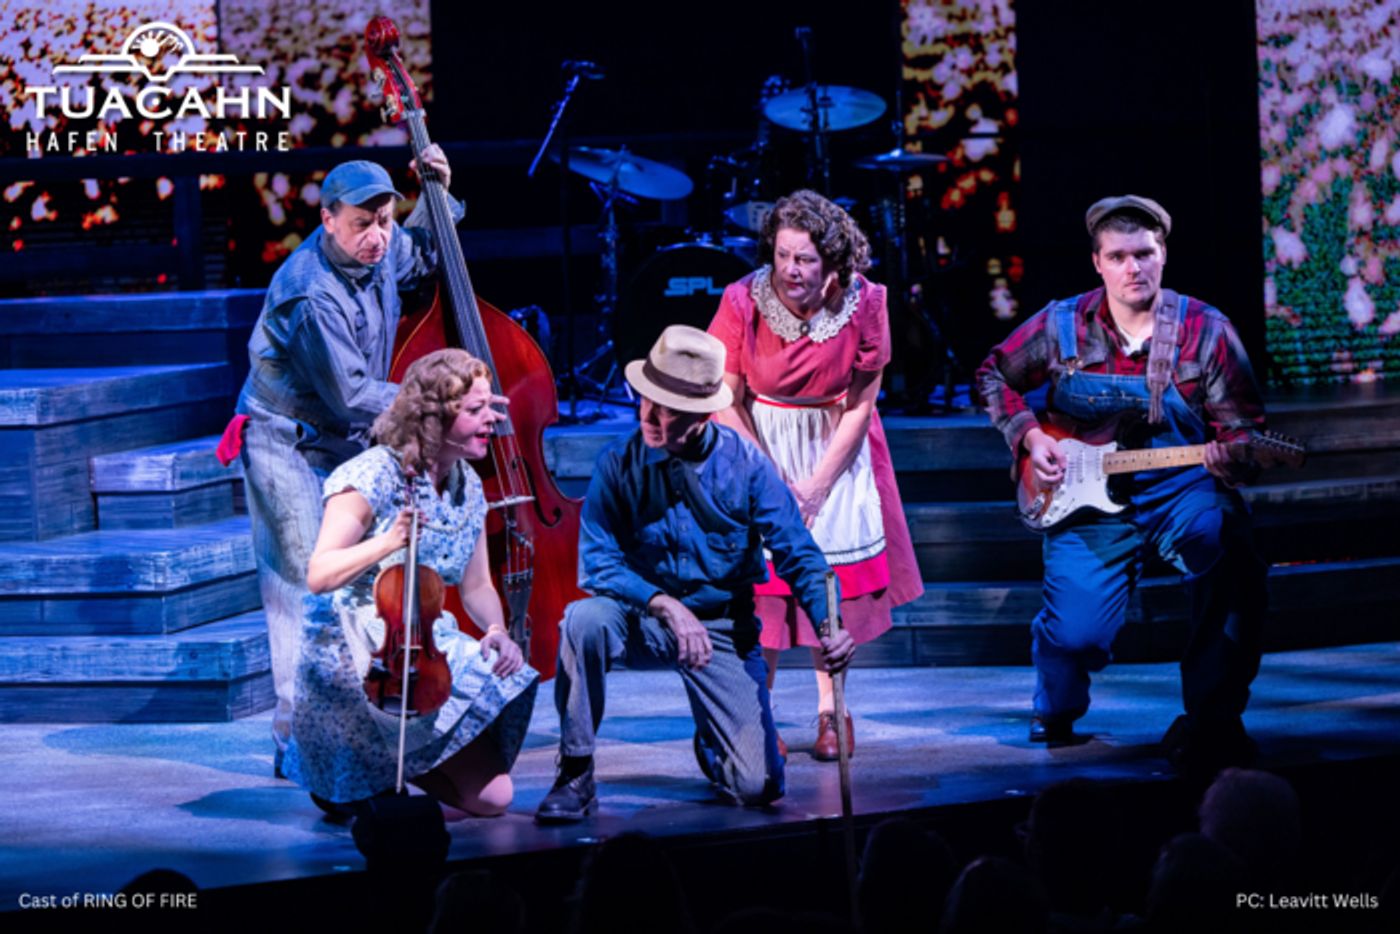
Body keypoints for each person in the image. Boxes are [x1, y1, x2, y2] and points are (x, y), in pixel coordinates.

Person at [974, 194, 1268, 773]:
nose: (1133, 268)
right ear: (1097, 262)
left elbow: (1246, 436)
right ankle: (1056, 703)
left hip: (1178, 490)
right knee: (1076, 636)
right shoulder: (1061, 325)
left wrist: (1230, 457)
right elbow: (991, 375)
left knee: (1228, 548)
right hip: (1085, 501)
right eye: (1119, 256)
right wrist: (1031, 436)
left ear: (1163, 256)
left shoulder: (1206, 331)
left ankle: (1212, 715)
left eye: (1144, 254)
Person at [534, 325, 855, 823]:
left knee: (758, 787)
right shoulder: (618, 464)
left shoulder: (747, 465)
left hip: (722, 628)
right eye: (648, 401)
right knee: (583, 620)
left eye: (671, 410)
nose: (653, 418)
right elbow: (598, 564)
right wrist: (663, 603)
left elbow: (799, 553)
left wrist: (830, 626)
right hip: (640, 616)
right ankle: (575, 770)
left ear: (705, 415)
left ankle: (715, 738)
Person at [232, 149, 462, 774]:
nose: (378, 236)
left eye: (386, 219)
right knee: (304, 584)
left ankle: (349, 727)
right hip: (287, 440)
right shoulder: (310, 293)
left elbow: (427, 251)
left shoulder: (381, 248)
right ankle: (296, 743)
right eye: (363, 223)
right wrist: (441, 397)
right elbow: (353, 394)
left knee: (357, 587)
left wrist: (437, 192)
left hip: (340, 438)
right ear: (328, 219)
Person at [707, 189, 922, 761]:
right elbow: (722, 397)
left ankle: (832, 711)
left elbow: (862, 403)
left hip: (836, 451)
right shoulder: (742, 300)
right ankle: (758, 714)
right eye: (782, 255)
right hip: (761, 446)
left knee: (829, 582)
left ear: (831, 264)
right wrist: (766, 479)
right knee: (765, 591)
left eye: (803, 259)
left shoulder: (867, 302)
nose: (790, 270)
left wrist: (820, 483)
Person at [282, 348, 538, 816]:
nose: (491, 421)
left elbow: (477, 585)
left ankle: (391, 766)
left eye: (491, 409)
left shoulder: (468, 485)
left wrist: (497, 632)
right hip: (354, 643)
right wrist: (388, 542)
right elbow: (320, 574)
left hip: (421, 639)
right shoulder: (372, 474)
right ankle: (358, 766)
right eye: (476, 410)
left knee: (494, 800)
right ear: (434, 418)